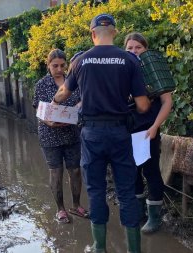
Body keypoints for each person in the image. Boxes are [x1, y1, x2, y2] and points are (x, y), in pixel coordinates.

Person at [52, 14, 150, 253]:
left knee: (95, 189)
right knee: (126, 191)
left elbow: (63, 93)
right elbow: (143, 106)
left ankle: (99, 247)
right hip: (119, 133)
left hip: (92, 135)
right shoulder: (129, 61)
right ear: (115, 33)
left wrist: (55, 99)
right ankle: (134, 250)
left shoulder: (80, 61)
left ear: (93, 33)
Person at [32, 49, 89, 224]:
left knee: (75, 170)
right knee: (56, 172)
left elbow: (83, 100)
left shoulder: (74, 82)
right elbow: (39, 110)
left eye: (62, 65)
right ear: (48, 65)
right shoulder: (41, 85)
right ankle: (61, 210)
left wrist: (78, 107)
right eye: (54, 65)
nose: (58, 69)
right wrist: (50, 122)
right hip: (50, 135)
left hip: (72, 133)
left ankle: (76, 205)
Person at [124, 32, 173, 233]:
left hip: (148, 130)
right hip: (127, 129)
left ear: (146, 49)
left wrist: (155, 127)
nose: (134, 51)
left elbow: (167, 102)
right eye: (130, 48)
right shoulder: (122, 70)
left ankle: (154, 218)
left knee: (151, 171)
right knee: (131, 171)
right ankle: (138, 212)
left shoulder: (154, 71)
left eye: (138, 47)